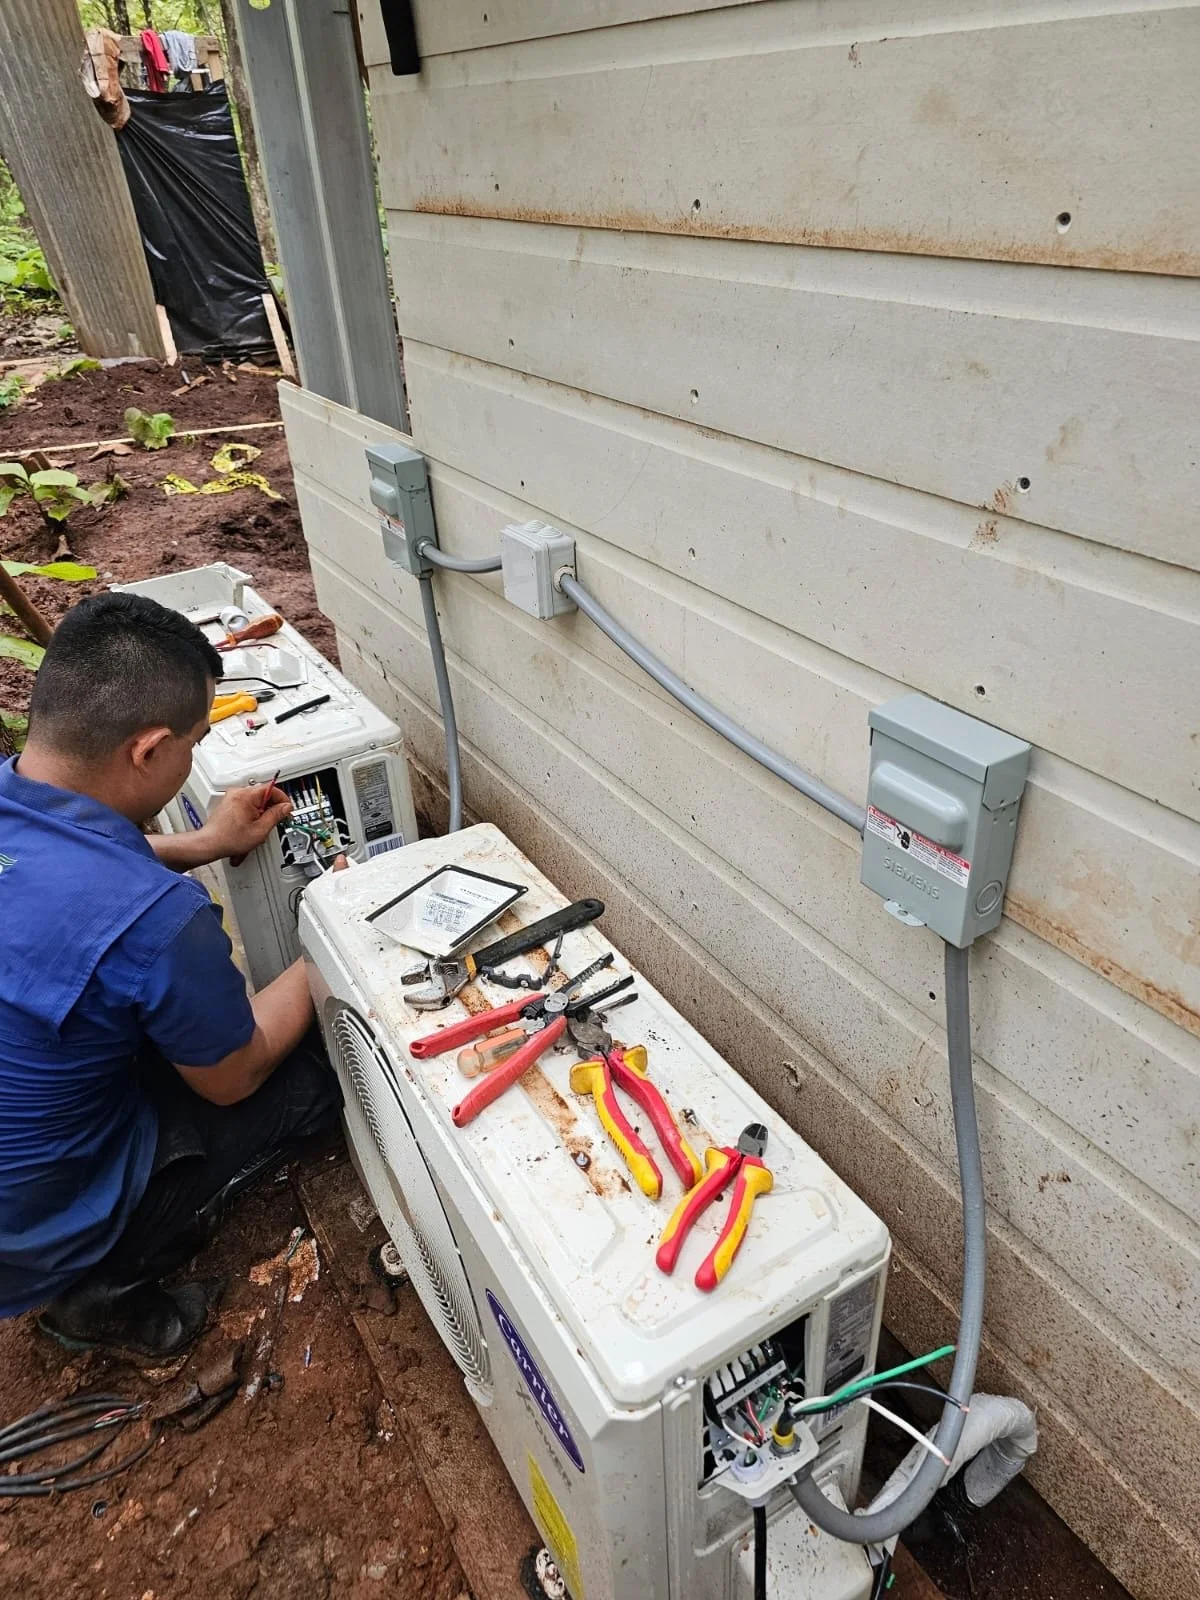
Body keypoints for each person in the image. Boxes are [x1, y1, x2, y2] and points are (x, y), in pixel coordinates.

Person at [0, 592, 341, 1362]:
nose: (193, 754)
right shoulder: (155, 921)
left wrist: (203, 843)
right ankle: (99, 1291)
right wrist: (338, 942)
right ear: (150, 751)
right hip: (26, 1235)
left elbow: (72, 870)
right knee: (312, 1083)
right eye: (195, 740)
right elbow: (237, 1075)